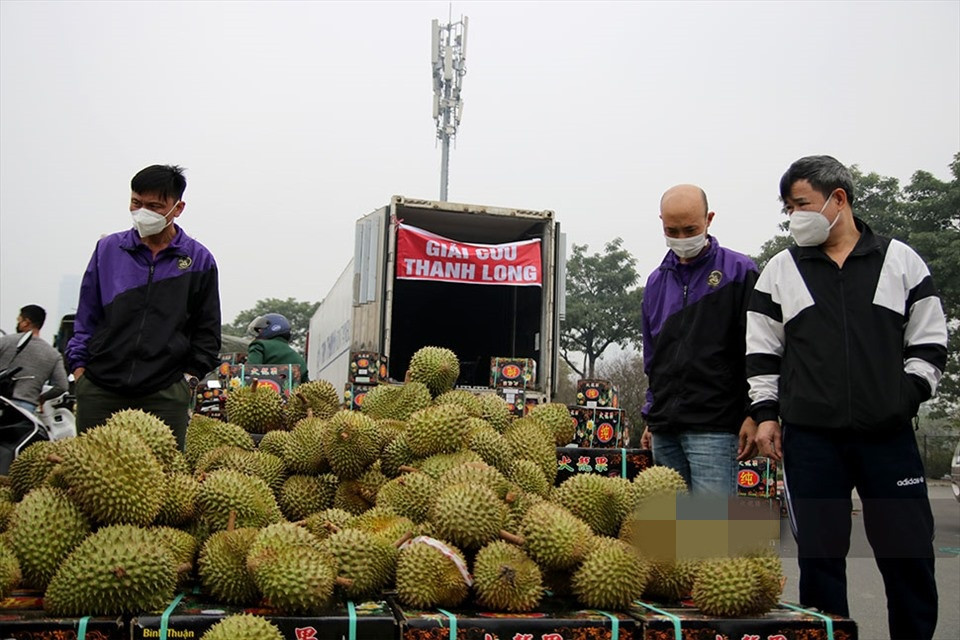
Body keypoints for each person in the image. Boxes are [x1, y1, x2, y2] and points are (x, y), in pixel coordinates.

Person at [747, 155, 946, 640]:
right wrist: (767, 414)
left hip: (888, 437)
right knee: (820, 564)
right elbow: (762, 350)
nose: (794, 216)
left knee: (908, 556)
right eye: (788, 208)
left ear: (838, 199)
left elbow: (929, 342)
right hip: (812, 441)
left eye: (801, 204)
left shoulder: (899, 260)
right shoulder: (781, 269)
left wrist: (902, 397)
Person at [65, 165, 221, 449]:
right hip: (100, 388)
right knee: (91, 467)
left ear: (178, 208)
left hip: (164, 393)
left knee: (165, 473)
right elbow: (86, 315)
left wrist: (188, 379)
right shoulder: (108, 250)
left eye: (154, 206)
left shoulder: (198, 260)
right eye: (136, 203)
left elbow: (207, 330)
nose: (142, 212)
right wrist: (79, 369)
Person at [639, 184, 760, 495]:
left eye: (690, 229)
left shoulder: (739, 272)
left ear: (709, 219)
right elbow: (653, 358)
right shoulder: (656, 282)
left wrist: (754, 413)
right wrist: (651, 415)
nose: (681, 238)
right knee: (669, 520)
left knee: (708, 522)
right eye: (672, 230)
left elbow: (757, 349)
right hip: (665, 428)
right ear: (662, 223)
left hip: (715, 426)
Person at [0, 305, 69, 413]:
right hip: (26, 408)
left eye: (19, 320)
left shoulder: (6, 341)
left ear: (26, 322)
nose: (17, 324)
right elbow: (62, 386)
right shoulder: (53, 354)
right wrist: (42, 397)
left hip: (2, 400)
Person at [245, 313, 309, 383]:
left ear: (273, 328)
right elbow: (307, 386)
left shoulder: (259, 345)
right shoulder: (300, 360)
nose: (259, 333)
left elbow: (249, 372)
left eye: (261, 330)